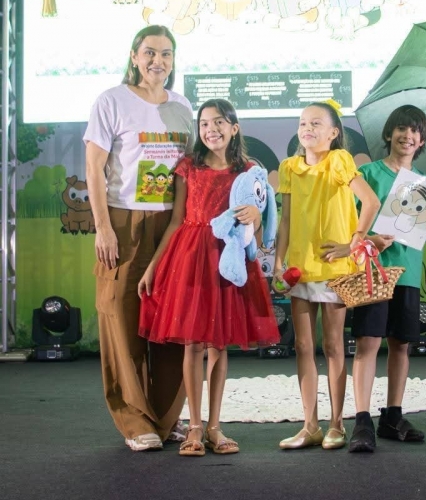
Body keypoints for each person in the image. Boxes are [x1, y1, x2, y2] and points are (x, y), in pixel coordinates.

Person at [138, 99, 281, 456]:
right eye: (204, 123)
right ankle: (195, 428)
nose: (211, 129)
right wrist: (154, 265)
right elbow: (175, 220)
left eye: (219, 122)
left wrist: (255, 216)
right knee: (193, 344)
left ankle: (216, 427)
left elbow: (260, 226)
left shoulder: (248, 171)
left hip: (226, 259)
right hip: (190, 258)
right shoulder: (189, 166)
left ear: (234, 128)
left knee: (219, 345)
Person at [84, 25, 191, 452]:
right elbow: (94, 170)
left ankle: (164, 419)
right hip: (123, 220)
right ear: (133, 56)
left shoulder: (183, 107)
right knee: (120, 315)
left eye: (166, 54)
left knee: (169, 322)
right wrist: (103, 227)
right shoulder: (111, 101)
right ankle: (134, 419)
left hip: (171, 224)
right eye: (149, 53)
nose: (157, 62)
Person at [273, 100, 380, 450]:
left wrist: (353, 245)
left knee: (334, 345)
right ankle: (310, 426)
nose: (308, 128)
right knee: (302, 346)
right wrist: (278, 260)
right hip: (299, 269)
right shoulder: (289, 167)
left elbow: (371, 202)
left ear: (334, 133)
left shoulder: (339, 161)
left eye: (317, 123)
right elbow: (286, 219)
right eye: (303, 122)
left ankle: (337, 425)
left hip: (334, 270)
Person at [348, 105, 426, 453]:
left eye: (415, 131)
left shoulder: (424, 186)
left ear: (422, 140)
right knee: (368, 343)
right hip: (372, 270)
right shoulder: (367, 172)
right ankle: (362, 420)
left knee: (401, 344)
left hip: (406, 273)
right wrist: (367, 240)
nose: (408, 136)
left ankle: (392, 415)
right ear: (389, 134)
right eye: (401, 129)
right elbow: (347, 221)